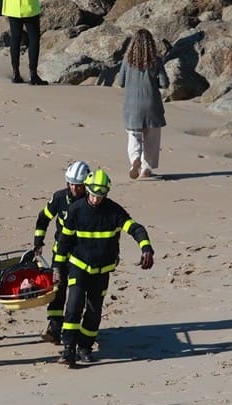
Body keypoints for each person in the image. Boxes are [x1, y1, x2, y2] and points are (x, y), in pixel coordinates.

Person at [53, 169, 154, 367]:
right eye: (92, 195)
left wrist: (146, 247)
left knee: (93, 311)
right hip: (78, 267)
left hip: (102, 271)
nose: (96, 200)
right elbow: (64, 241)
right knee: (73, 307)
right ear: (87, 190)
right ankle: (68, 350)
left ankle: (85, 347)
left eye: (100, 196)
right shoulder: (76, 210)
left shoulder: (114, 212)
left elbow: (135, 228)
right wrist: (57, 267)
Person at [31, 160, 90, 344]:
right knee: (57, 289)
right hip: (60, 254)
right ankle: (54, 327)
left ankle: (74, 328)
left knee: (77, 293)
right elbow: (43, 218)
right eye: (71, 184)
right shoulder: (59, 198)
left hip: (81, 256)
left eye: (78, 185)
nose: (74, 188)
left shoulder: (90, 203)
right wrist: (38, 240)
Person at [116, 29, 169, 180]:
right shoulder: (156, 61)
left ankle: (134, 159)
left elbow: (120, 82)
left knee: (134, 136)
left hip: (132, 107)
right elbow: (164, 83)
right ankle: (146, 167)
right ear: (151, 44)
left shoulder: (127, 61)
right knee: (151, 138)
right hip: (152, 106)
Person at [0, 0, 45, 85]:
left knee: (15, 39)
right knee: (33, 39)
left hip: (12, 7)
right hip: (29, 7)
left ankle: (15, 73)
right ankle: (33, 75)